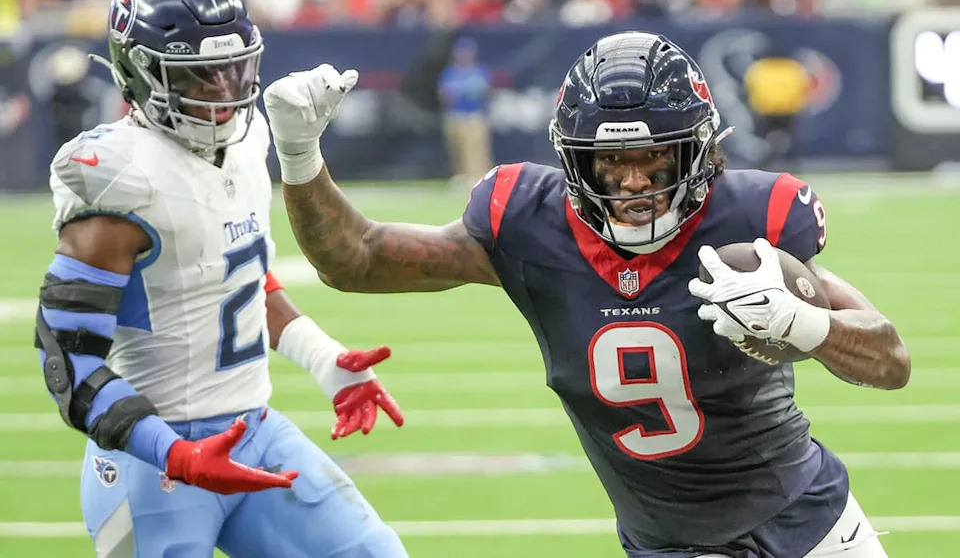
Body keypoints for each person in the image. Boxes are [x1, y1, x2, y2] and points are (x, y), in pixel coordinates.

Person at [264, 31, 911, 558]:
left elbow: (893, 360)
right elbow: (359, 259)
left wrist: (808, 324)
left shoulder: (753, 217)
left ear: (698, 151)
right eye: (610, 162)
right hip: (666, 545)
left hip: (812, 527)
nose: (633, 182)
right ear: (575, 162)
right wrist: (299, 154)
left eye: (654, 157)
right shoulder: (530, 226)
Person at [36, 0, 408, 558]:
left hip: (252, 430)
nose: (226, 91)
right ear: (141, 72)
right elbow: (68, 362)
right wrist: (175, 453)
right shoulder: (119, 179)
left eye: (234, 69)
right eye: (201, 76)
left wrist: (325, 360)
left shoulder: (249, 140)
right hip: (150, 463)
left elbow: (237, 278)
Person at [437, 35, 494, 185]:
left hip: (474, 114)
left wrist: (464, 91)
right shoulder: (450, 72)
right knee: (456, 147)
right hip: (455, 114)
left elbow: (484, 91)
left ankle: (480, 175)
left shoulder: (479, 71)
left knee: (476, 148)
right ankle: (461, 174)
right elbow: (443, 94)